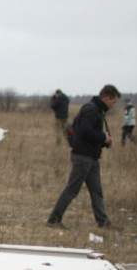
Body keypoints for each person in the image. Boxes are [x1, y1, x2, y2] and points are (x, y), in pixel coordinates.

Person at [47, 84, 121, 229]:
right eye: (113, 101)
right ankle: (54, 220)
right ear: (106, 97)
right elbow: (85, 132)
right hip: (83, 157)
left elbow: (88, 134)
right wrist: (103, 138)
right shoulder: (91, 109)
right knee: (72, 190)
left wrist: (104, 142)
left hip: (91, 157)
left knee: (96, 191)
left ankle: (103, 223)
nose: (113, 105)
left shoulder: (97, 109)